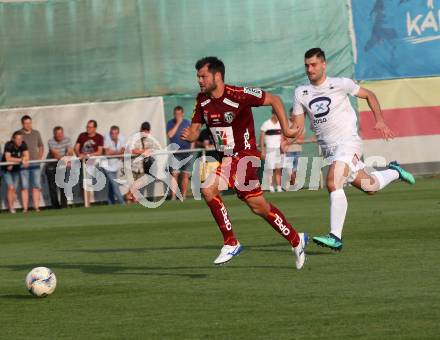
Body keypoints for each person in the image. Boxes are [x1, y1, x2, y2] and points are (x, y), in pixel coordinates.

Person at [181, 56, 308, 269]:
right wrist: (191, 135)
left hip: (246, 157)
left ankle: (231, 242)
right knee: (259, 207)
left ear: (217, 76)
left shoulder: (239, 95)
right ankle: (296, 239)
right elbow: (194, 132)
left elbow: (275, 99)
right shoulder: (201, 100)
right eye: (198, 77)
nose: (200, 81)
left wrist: (286, 129)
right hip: (229, 159)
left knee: (208, 188)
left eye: (203, 76)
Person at [291, 48, 415, 251]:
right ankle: (395, 170)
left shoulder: (340, 84)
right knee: (371, 186)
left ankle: (335, 236)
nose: (309, 69)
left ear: (324, 64)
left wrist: (380, 121)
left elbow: (369, 95)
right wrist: (289, 136)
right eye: (307, 65)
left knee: (333, 181)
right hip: (330, 151)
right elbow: (297, 127)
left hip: (348, 142)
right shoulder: (300, 93)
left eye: (313, 65)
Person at [17, 115, 44, 212]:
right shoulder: (18, 134)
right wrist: (21, 159)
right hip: (24, 165)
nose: (28, 125)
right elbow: (15, 148)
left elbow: (41, 146)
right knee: (24, 186)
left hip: (35, 164)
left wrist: (39, 158)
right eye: (26, 123)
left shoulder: (36, 133)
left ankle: (36, 207)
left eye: (29, 123)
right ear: (22, 123)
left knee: (36, 185)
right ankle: (25, 208)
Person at [167, 106, 194, 200]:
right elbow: (170, 135)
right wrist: (178, 123)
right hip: (175, 153)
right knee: (174, 174)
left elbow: (192, 136)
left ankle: (184, 196)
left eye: (179, 114)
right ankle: (173, 197)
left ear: (182, 114)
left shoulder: (187, 123)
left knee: (185, 175)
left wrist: (192, 148)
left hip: (187, 153)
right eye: (176, 114)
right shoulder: (170, 123)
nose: (177, 116)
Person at [74, 120, 104, 204]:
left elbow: (100, 151)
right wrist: (79, 154)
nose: (88, 129)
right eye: (87, 127)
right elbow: (76, 147)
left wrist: (88, 155)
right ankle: (86, 202)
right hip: (81, 162)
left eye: (90, 127)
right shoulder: (82, 135)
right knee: (82, 183)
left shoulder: (99, 137)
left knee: (87, 182)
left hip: (92, 163)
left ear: (95, 128)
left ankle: (88, 203)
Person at [45, 126, 74, 209]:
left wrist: (68, 155)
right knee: (52, 187)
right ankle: (55, 207)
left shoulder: (67, 140)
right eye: (57, 134)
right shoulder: (51, 141)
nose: (59, 135)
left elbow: (70, 151)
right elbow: (55, 154)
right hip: (51, 166)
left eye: (61, 133)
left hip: (62, 165)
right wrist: (65, 159)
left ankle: (64, 206)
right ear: (54, 134)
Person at [2, 131, 29, 213]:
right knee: (11, 188)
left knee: (14, 189)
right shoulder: (8, 144)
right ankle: (11, 208)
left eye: (21, 139)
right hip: (6, 169)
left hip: (16, 169)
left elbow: (27, 156)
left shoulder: (23, 144)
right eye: (17, 139)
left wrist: (23, 159)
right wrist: (21, 160)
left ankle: (12, 207)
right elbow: (8, 158)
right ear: (13, 139)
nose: (19, 141)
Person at [280, 108, 305, 188]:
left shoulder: (300, 125)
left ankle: (293, 184)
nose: (294, 116)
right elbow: (285, 137)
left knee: (295, 170)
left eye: (295, 115)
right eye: (293, 115)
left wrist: (291, 140)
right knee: (289, 170)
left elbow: (301, 139)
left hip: (297, 150)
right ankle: (289, 183)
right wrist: (292, 139)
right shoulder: (286, 124)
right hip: (288, 151)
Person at [101, 126, 125, 205]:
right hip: (106, 165)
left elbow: (123, 151)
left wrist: (114, 152)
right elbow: (107, 153)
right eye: (112, 133)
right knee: (115, 184)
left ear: (118, 133)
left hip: (115, 165)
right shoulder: (106, 138)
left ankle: (110, 203)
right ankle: (122, 203)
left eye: (115, 133)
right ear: (110, 133)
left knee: (112, 185)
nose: (113, 135)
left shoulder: (122, 137)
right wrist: (118, 153)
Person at [260, 111, 283, 192]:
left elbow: (282, 137)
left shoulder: (280, 124)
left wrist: (282, 147)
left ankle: (279, 187)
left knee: (278, 169)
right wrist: (263, 150)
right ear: (273, 114)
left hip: (278, 150)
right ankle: (271, 187)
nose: (278, 116)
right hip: (269, 150)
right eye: (277, 115)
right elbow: (262, 138)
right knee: (270, 169)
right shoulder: (266, 124)